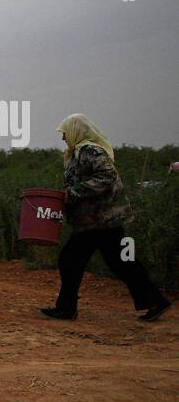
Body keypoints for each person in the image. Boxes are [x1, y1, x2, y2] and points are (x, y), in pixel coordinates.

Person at [40, 114, 169, 321]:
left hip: (100, 220)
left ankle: (67, 308)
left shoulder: (90, 151)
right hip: (98, 221)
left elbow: (108, 176)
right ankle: (156, 300)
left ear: (76, 130)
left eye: (64, 132)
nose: (63, 137)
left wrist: (74, 192)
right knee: (121, 263)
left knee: (71, 260)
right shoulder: (78, 153)